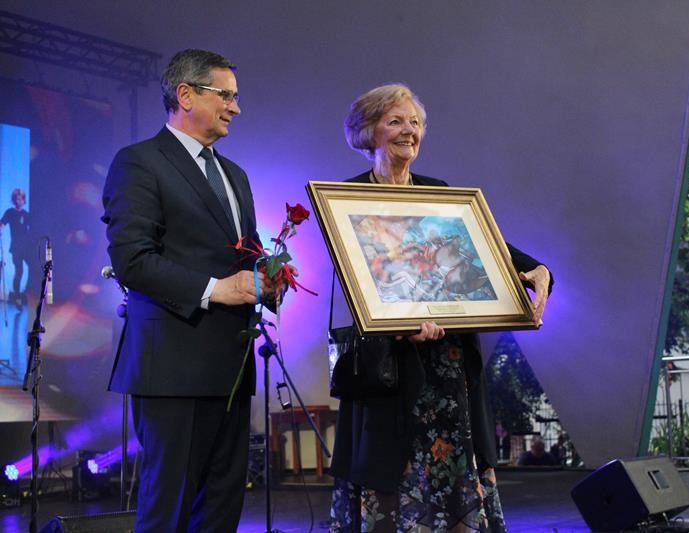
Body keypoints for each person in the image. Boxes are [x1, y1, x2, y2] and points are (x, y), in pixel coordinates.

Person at [328, 84, 553, 532]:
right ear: (368, 131)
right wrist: (398, 327)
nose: (408, 131)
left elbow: (492, 252)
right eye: (395, 121)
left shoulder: (441, 194)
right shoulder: (346, 199)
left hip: (449, 368)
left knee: (453, 478)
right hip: (388, 370)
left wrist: (539, 270)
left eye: (415, 123)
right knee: (390, 471)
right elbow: (363, 287)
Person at [102, 49, 281, 532]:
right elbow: (133, 260)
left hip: (233, 369)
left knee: (220, 511)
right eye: (226, 95)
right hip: (172, 369)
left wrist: (269, 278)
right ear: (186, 94)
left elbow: (247, 254)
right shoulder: (139, 162)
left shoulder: (235, 175)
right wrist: (216, 289)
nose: (236, 108)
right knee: (169, 511)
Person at [0, 188, 34, 306]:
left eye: (21, 199)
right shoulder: (10, 212)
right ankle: (17, 296)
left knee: (33, 266)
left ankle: (28, 291)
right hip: (16, 247)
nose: (19, 201)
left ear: (24, 200)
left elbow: (33, 228)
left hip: (26, 247)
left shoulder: (26, 214)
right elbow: (2, 223)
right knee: (19, 271)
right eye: (17, 199)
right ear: (14, 200)